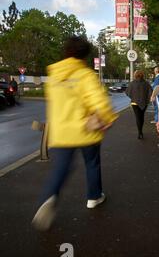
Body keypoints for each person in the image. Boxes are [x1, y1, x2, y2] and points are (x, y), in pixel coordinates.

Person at [31, 36, 117, 231]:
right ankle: (94, 197)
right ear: (84, 56)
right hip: (86, 129)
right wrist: (108, 119)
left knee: (60, 168)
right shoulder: (85, 75)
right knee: (92, 163)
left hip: (61, 132)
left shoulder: (54, 76)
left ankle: (49, 198)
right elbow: (98, 101)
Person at [126, 70, 152, 139]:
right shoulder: (146, 83)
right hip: (144, 102)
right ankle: (140, 131)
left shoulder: (132, 83)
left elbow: (127, 92)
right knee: (142, 117)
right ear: (142, 75)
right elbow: (150, 92)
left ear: (135, 75)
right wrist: (147, 99)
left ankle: (140, 132)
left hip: (134, 103)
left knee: (137, 117)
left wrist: (134, 97)